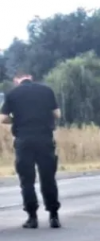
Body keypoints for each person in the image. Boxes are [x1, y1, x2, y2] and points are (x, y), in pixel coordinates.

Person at [0, 73, 62, 228]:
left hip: (24, 140)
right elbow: (57, 114)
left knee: (27, 180)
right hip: (44, 139)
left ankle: (32, 217)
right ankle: (53, 216)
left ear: (17, 80)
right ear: (30, 77)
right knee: (48, 178)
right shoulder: (46, 91)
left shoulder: (13, 94)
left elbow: (2, 118)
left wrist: (17, 119)